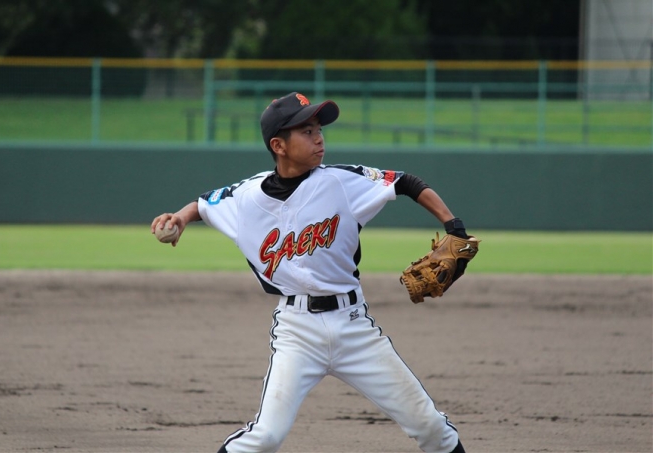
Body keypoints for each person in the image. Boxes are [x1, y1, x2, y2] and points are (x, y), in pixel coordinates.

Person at [151, 92, 469, 453]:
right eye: (306, 131)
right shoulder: (247, 197)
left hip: (353, 327)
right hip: (296, 332)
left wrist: (454, 227)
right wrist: (180, 218)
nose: (319, 138)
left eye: (319, 129)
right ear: (278, 145)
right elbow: (205, 204)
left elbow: (406, 182)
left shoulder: (341, 182)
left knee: (430, 426)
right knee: (266, 436)